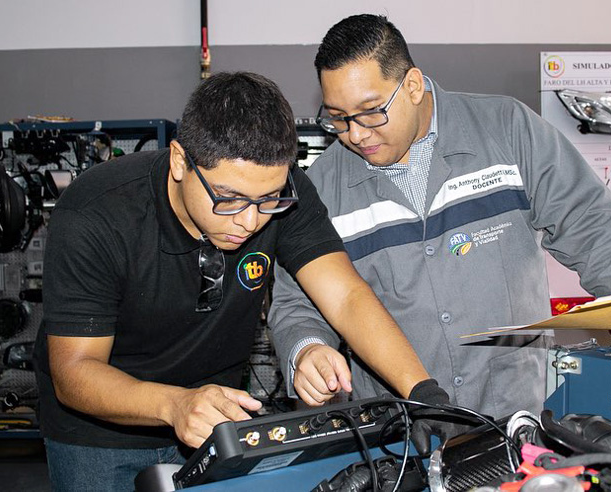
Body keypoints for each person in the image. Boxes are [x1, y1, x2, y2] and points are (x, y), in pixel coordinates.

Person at [33, 71, 446, 491]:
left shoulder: (286, 195)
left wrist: (424, 393)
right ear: (179, 162)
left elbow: (345, 296)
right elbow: (75, 371)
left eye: (268, 199)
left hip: (218, 421)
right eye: (228, 199)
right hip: (100, 434)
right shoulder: (95, 214)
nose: (249, 222)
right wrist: (174, 404)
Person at [268, 14, 611, 430]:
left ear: (412, 86)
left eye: (370, 112)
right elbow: (296, 301)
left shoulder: (508, 131)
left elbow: (589, 223)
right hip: (400, 429)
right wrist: (307, 348)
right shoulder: (323, 187)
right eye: (337, 118)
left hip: (513, 412)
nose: (355, 134)